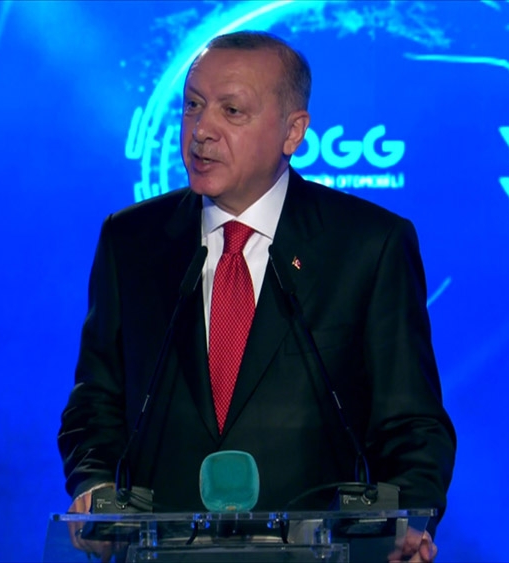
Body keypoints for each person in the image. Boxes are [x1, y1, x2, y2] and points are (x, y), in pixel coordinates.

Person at [58, 31, 456, 562]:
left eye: (232, 111)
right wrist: (96, 485)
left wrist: (402, 519)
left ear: (293, 131)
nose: (202, 130)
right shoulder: (131, 241)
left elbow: (411, 422)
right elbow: (96, 401)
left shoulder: (368, 245)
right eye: (193, 106)